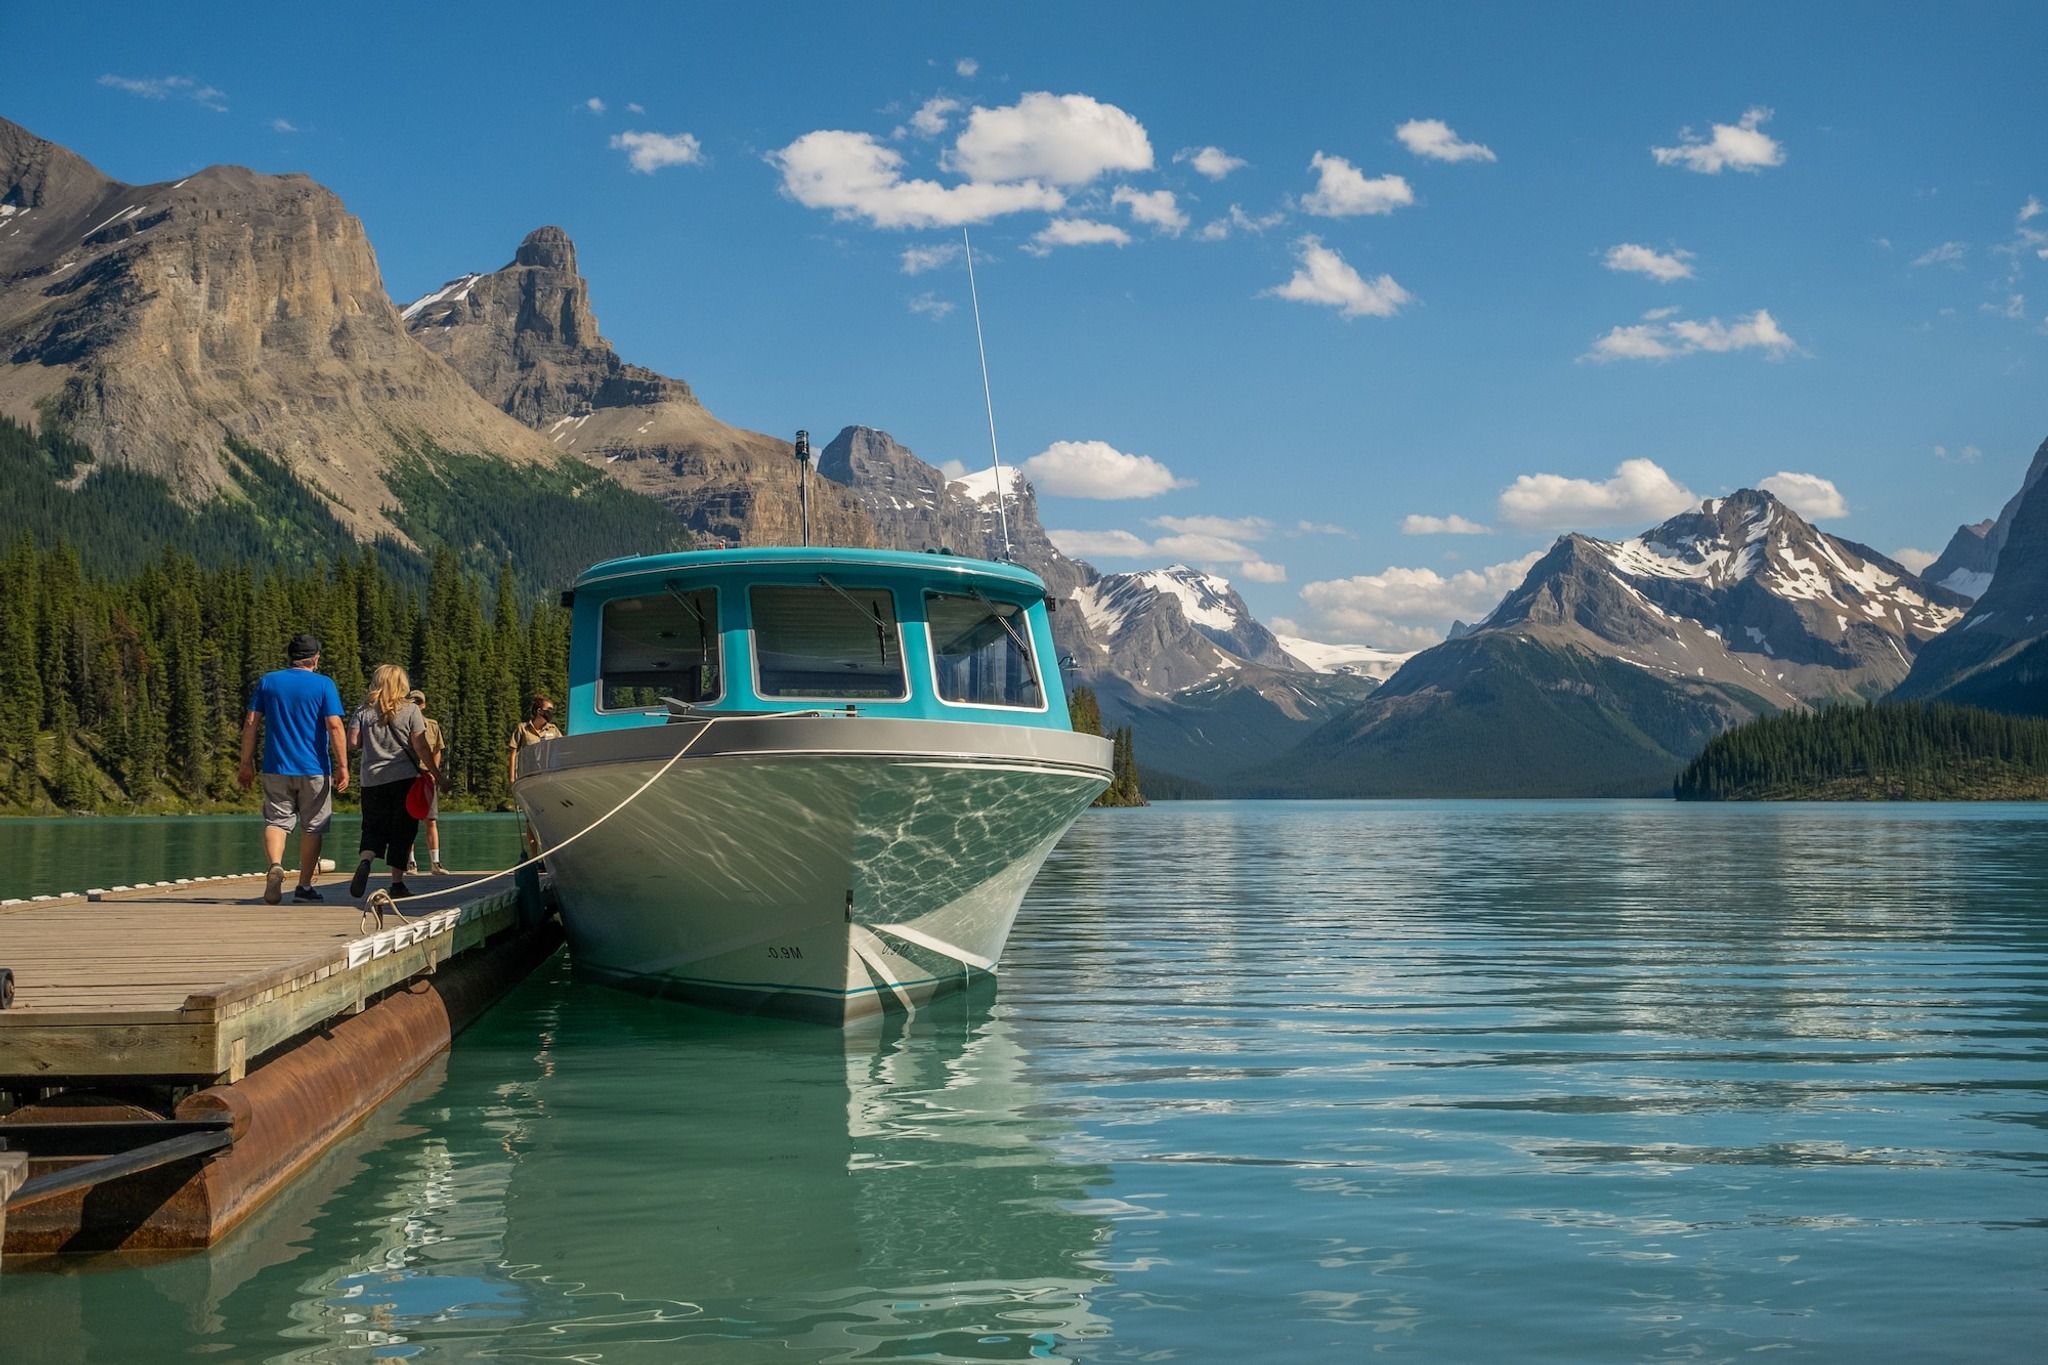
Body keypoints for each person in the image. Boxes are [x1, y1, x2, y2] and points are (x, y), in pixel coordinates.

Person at [237, 632, 350, 906]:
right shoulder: (324, 685)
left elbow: (251, 722)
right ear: (316, 659)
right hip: (313, 768)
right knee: (313, 827)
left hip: (276, 766)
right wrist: (343, 766)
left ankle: (276, 865)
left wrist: (245, 763)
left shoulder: (269, 682)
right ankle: (304, 887)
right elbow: (334, 726)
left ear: (291, 657)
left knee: (276, 821)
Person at [347, 664, 442, 901]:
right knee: (403, 831)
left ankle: (366, 861)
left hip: (372, 781)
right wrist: (437, 775)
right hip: (404, 780)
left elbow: (353, 743)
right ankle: (397, 884)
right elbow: (420, 745)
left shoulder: (363, 710)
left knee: (372, 826)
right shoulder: (411, 710)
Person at [410, 688, 447, 875]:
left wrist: (435, 772)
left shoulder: (432, 725)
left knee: (430, 819)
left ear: (423, 705)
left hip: (427, 776)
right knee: (409, 820)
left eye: (418, 702)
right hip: (408, 776)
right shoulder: (404, 723)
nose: (415, 705)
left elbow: (437, 749)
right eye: (412, 702)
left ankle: (436, 863)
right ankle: (411, 863)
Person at [506, 694, 562, 788]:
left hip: (547, 775)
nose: (551, 712)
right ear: (539, 711)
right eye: (548, 709)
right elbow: (513, 753)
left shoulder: (553, 730)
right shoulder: (523, 729)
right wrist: (512, 778)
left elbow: (561, 747)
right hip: (527, 775)